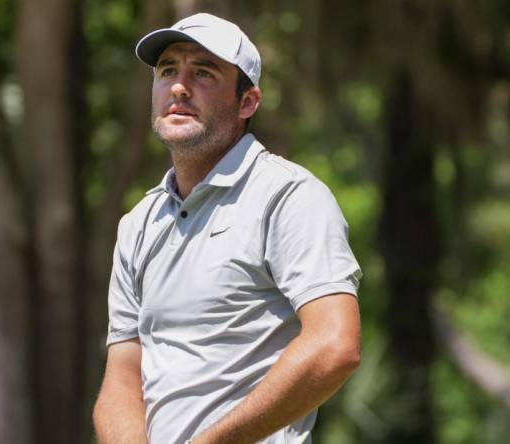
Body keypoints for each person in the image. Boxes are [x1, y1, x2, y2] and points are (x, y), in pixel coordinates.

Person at [92, 12, 363, 444]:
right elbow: (122, 377)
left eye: (203, 72)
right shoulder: (138, 224)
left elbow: (335, 345)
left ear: (247, 102)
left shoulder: (288, 196)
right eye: (167, 71)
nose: (179, 86)